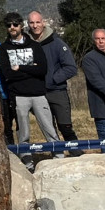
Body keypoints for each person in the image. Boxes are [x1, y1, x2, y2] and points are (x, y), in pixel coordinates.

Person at [0, 13, 60, 171]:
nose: (12, 27)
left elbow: (42, 69)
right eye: (9, 25)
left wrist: (20, 68)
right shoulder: (3, 49)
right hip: (18, 96)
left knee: (49, 129)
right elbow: (8, 74)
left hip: (38, 94)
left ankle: (58, 158)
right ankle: (27, 164)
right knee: (23, 133)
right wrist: (31, 69)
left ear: (21, 26)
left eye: (15, 24)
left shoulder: (35, 46)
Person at [27, 10, 80, 152]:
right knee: (49, 129)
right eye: (32, 23)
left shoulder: (57, 43)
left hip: (57, 92)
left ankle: (77, 154)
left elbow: (71, 68)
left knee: (65, 127)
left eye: (38, 22)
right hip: (37, 93)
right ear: (28, 24)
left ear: (43, 23)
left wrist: (53, 79)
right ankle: (57, 155)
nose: (35, 26)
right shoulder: (26, 45)